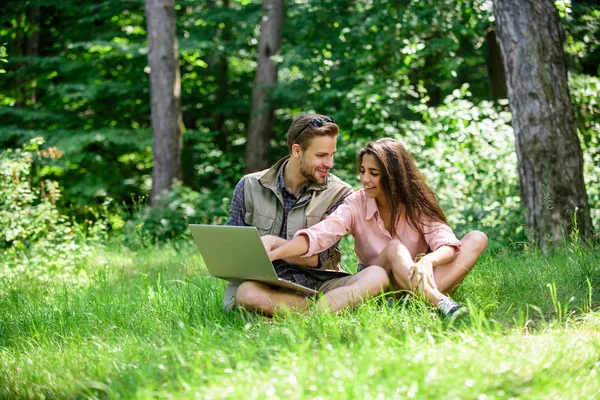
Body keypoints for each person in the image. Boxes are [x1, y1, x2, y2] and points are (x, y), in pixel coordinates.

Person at [265, 138, 488, 318]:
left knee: (477, 237)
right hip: (382, 283)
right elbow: (321, 234)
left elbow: (447, 244)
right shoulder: (356, 203)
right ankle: (441, 303)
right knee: (394, 249)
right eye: (362, 171)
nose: (364, 179)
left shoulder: (415, 202)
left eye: (373, 173)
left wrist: (428, 261)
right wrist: (276, 253)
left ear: (393, 176)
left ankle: (425, 301)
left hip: (419, 278)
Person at [224, 114, 390, 316]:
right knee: (246, 293)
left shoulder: (340, 192)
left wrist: (275, 245)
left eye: (332, 155)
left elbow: (317, 259)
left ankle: (300, 312)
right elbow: (233, 253)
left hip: (320, 286)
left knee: (376, 275)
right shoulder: (249, 186)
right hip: (265, 285)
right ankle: (323, 310)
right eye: (321, 156)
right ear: (297, 150)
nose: (329, 163)